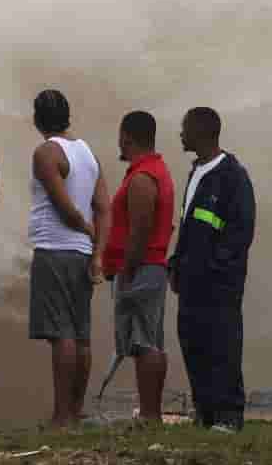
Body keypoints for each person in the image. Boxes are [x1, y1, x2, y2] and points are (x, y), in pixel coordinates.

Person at [168, 107, 256, 433]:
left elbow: (241, 231)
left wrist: (216, 268)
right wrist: (176, 263)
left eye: (184, 127)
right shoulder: (197, 172)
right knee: (193, 344)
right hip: (191, 282)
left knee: (223, 347)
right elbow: (190, 227)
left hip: (219, 285)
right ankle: (206, 414)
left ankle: (229, 417)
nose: (180, 133)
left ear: (202, 132)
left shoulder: (233, 176)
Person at [28, 89, 111, 429]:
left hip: (55, 249)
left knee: (61, 335)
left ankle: (62, 416)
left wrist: (88, 232)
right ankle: (75, 412)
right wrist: (98, 254)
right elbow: (104, 207)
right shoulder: (87, 153)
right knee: (80, 335)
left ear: (37, 119)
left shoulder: (46, 152)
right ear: (68, 115)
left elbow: (66, 209)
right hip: (80, 254)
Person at [102, 111, 176, 423]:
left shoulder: (144, 177)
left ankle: (149, 415)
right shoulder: (153, 171)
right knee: (148, 340)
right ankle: (151, 414)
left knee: (145, 343)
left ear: (127, 137)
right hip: (149, 267)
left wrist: (127, 270)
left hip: (141, 268)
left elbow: (140, 230)